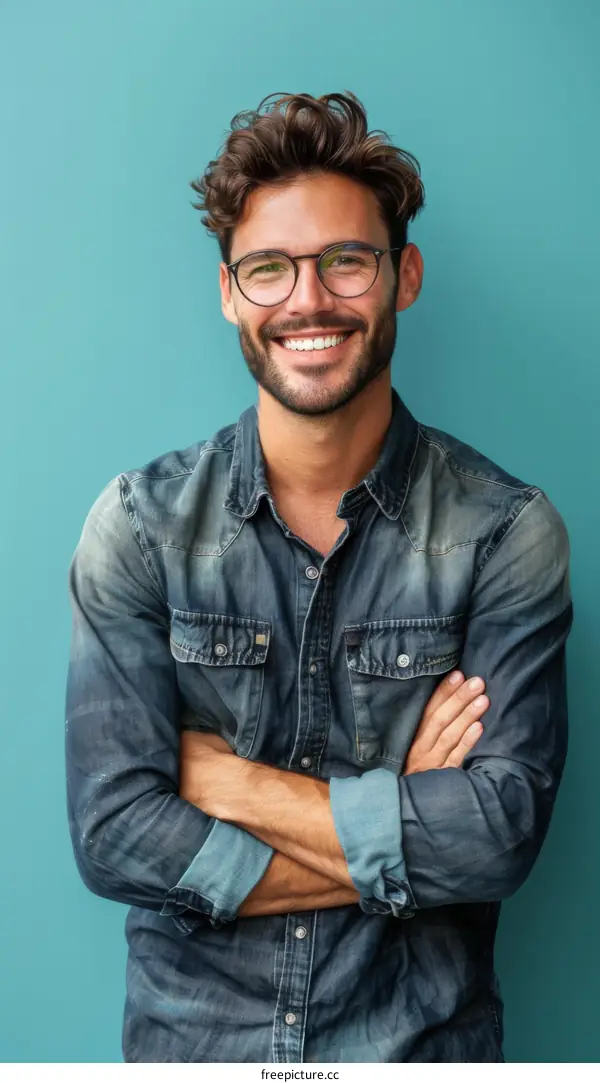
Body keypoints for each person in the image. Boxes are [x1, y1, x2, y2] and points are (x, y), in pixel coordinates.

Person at [65, 92, 572, 1064]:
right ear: (229, 291)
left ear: (402, 275)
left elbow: (499, 836)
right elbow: (116, 836)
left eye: (346, 259)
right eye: (269, 269)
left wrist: (227, 783)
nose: (308, 299)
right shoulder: (135, 528)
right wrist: (402, 804)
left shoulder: (504, 533)